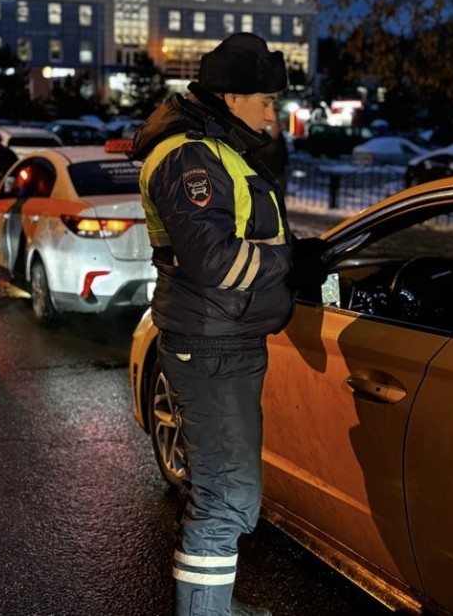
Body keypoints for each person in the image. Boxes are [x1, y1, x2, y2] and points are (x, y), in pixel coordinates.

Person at [130, 32, 324, 616]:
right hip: (212, 343)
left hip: (224, 339)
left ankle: (211, 603)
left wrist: (291, 258)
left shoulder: (217, 149)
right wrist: (292, 261)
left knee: (222, 489)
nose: (273, 111)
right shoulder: (192, 156)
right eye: (266, 99)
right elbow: (216, 261)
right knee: (226, 498)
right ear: (232, 96)